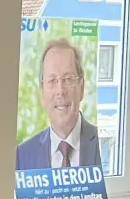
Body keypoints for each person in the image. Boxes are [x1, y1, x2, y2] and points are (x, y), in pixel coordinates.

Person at [16, 38, 102, 170]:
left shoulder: (102, 145)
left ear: (82, 88)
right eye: (52, 80)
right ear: (42, 91)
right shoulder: (22, 156)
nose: (60, 91)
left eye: (68, 79)